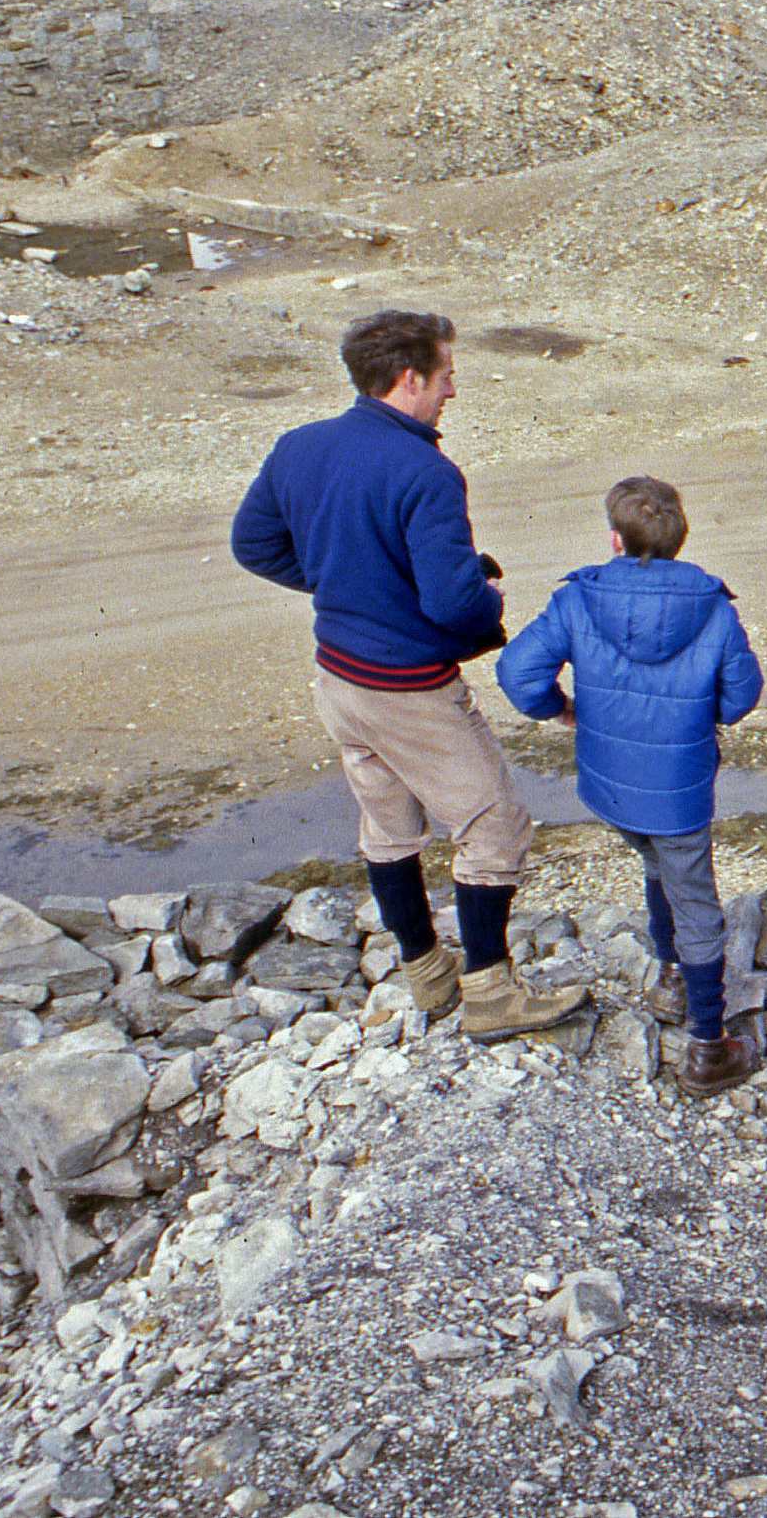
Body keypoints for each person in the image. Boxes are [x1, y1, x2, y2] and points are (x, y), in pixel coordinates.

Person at [231, 310, 592, 1038]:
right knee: (496, 826)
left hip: (338, 677)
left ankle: (425, 974)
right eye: (447, 374)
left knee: (389, 827)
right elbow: (455, 602)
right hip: (407, 688)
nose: (452, 390)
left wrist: (347, 584)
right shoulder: (426, 471)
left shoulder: (298, 446)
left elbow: (252, 544)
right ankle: (491, 994)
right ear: (409, 378)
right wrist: (487, 604)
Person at [495, 476, 766, 1095]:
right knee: (695, 898)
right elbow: (741, 698)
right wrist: (710, 712)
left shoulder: (578, 600)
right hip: (679, 785)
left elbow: (516, 670)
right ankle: (706, 1047)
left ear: (614, 539)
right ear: (679, 538)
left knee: (654, 863)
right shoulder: (715, 609)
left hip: (610, 781)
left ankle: (671, 973)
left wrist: (558, 709)